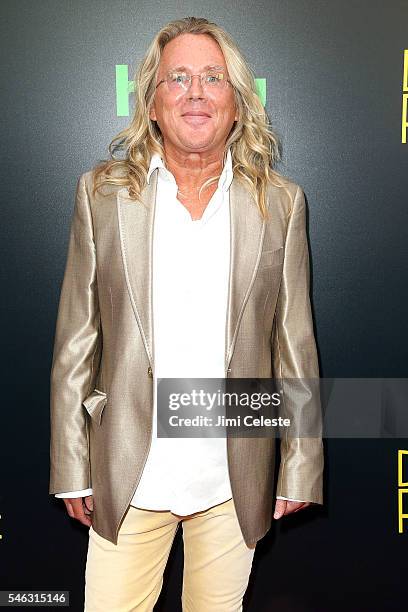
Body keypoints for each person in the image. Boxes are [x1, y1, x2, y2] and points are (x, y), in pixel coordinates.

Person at [49, 16, 324, 612]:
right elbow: (78, 339)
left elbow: (293, 345)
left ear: (237, 103)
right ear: (152, 102)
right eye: (177, 78)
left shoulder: (279, 202)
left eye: (212, 78)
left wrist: (300, 467)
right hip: (127, 475)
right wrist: (72, 465)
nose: (195, 92)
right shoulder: (100, 195)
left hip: (233, 480)